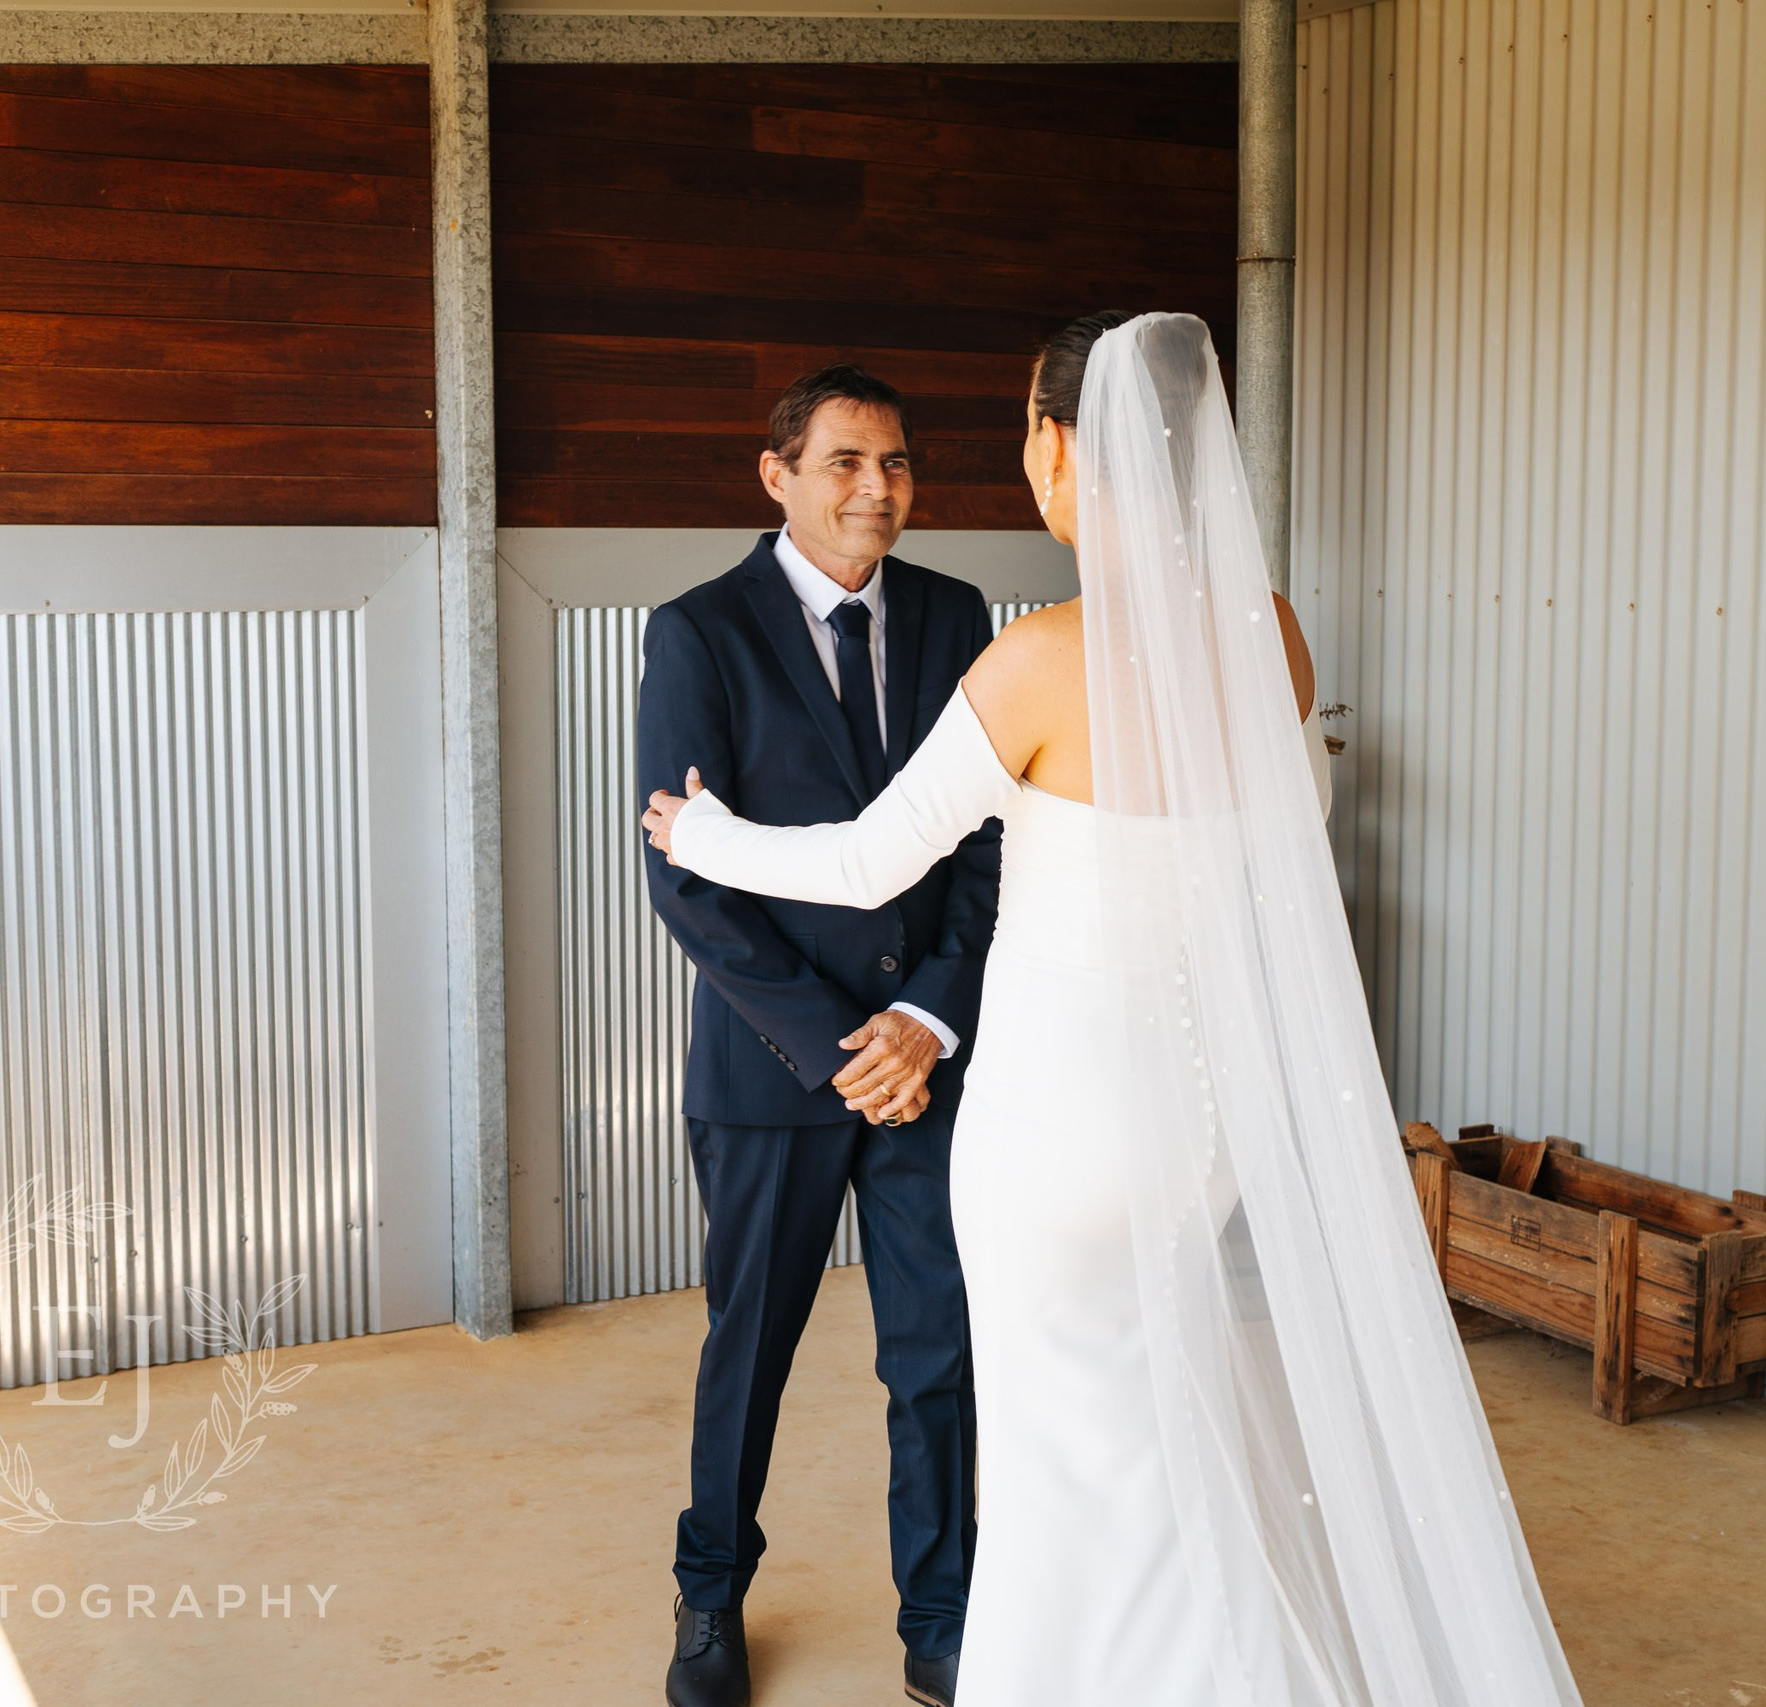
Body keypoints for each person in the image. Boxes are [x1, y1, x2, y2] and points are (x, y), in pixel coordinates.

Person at [645, 311, 1582, 1706]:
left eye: (1021, 424)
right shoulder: (1273, 633)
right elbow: (1280, 848)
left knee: (1037, 1429)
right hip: (1183, 1110)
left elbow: (869, 859)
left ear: (1062, 447)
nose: (893, 482)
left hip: (1047, 1119)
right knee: (1147, 1412)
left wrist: (698, 837)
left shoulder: (1030, 651)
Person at [637, 363, 997, 1707]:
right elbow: (688, 878)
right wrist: (841, 1040)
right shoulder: (699, 633)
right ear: (777, 473)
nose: (878, 489)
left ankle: (945, 1620)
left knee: (941, 1349)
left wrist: (925, 1018)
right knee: (752, 1349)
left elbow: (988, 847)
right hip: (775, 1070)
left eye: (897, 463)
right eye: (847, 460)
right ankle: (709, 1597)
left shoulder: (963, 620)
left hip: (929, 1068)